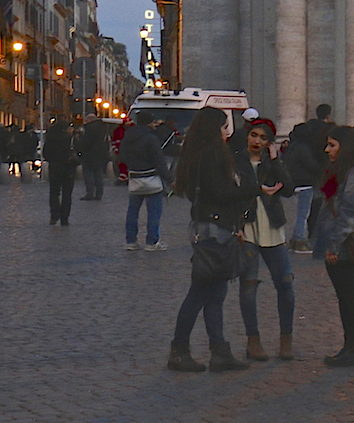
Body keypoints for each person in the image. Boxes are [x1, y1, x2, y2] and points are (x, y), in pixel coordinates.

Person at [167, 107, 260, 373]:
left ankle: (219, 351)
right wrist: (252, 189)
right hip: (214, 229)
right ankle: (180, 350)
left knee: (215, 294)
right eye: (223, 127)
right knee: (199, 293)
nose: (226, 132)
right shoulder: (211, 155)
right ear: (213, 129)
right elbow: (219, 193)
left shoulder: (196, 153)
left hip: (211, 226)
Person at [313, 126, 354, 367]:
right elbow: (326, 200)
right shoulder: (341, 172)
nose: (327, 150)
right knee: (345, 296)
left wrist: (333, 244)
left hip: (344, 244)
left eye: (332, 145)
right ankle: (349, 345)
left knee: (351, 296)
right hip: (334, 241)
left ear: (346, 147)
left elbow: (351, 214)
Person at [234, 119, 296, 361]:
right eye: (253, 136)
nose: (256, 141)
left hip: (272, 227)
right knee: (249, 285)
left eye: (262, 138)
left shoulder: (272, 164)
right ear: (247, 137)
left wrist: (276, 159)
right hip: (246, 228)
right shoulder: (236, 161)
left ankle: (286, 339)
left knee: (286, 283)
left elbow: (289, 189)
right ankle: (253, 340)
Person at [283, 104, 334, 252]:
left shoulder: (292, 147)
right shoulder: (303, 148)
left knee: (301, 213)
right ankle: (299, 240)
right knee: (303, 215)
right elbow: (311, 166)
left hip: (295, 182)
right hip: (305, 183)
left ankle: (296, 240)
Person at [120, 116, 169, 250]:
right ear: (149, 123)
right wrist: (169, 178)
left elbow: (122, 156)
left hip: (135, 177)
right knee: (154, 211)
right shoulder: (151, 138)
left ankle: (131, 241)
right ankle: (152, 242)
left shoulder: (128, 136)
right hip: (151, 177)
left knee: (132, 211)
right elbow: (159, 160)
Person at [43, 117, 78, 226]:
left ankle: (54, 215)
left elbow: (45, 154)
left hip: (55, 167)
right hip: (69, 168)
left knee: (54, 192)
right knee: (67, 194)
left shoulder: (50, 138)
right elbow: (79, 151)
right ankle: (64, 218)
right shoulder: (71, 139)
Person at [77, 116, 111, 201]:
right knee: (99, 174)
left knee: (88, 175)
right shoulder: (103, 127)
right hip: (100, 154)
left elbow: (85, 142)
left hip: (89, 154)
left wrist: (80, 149)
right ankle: (99, 193)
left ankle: (90, 193)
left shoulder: (89, 129)